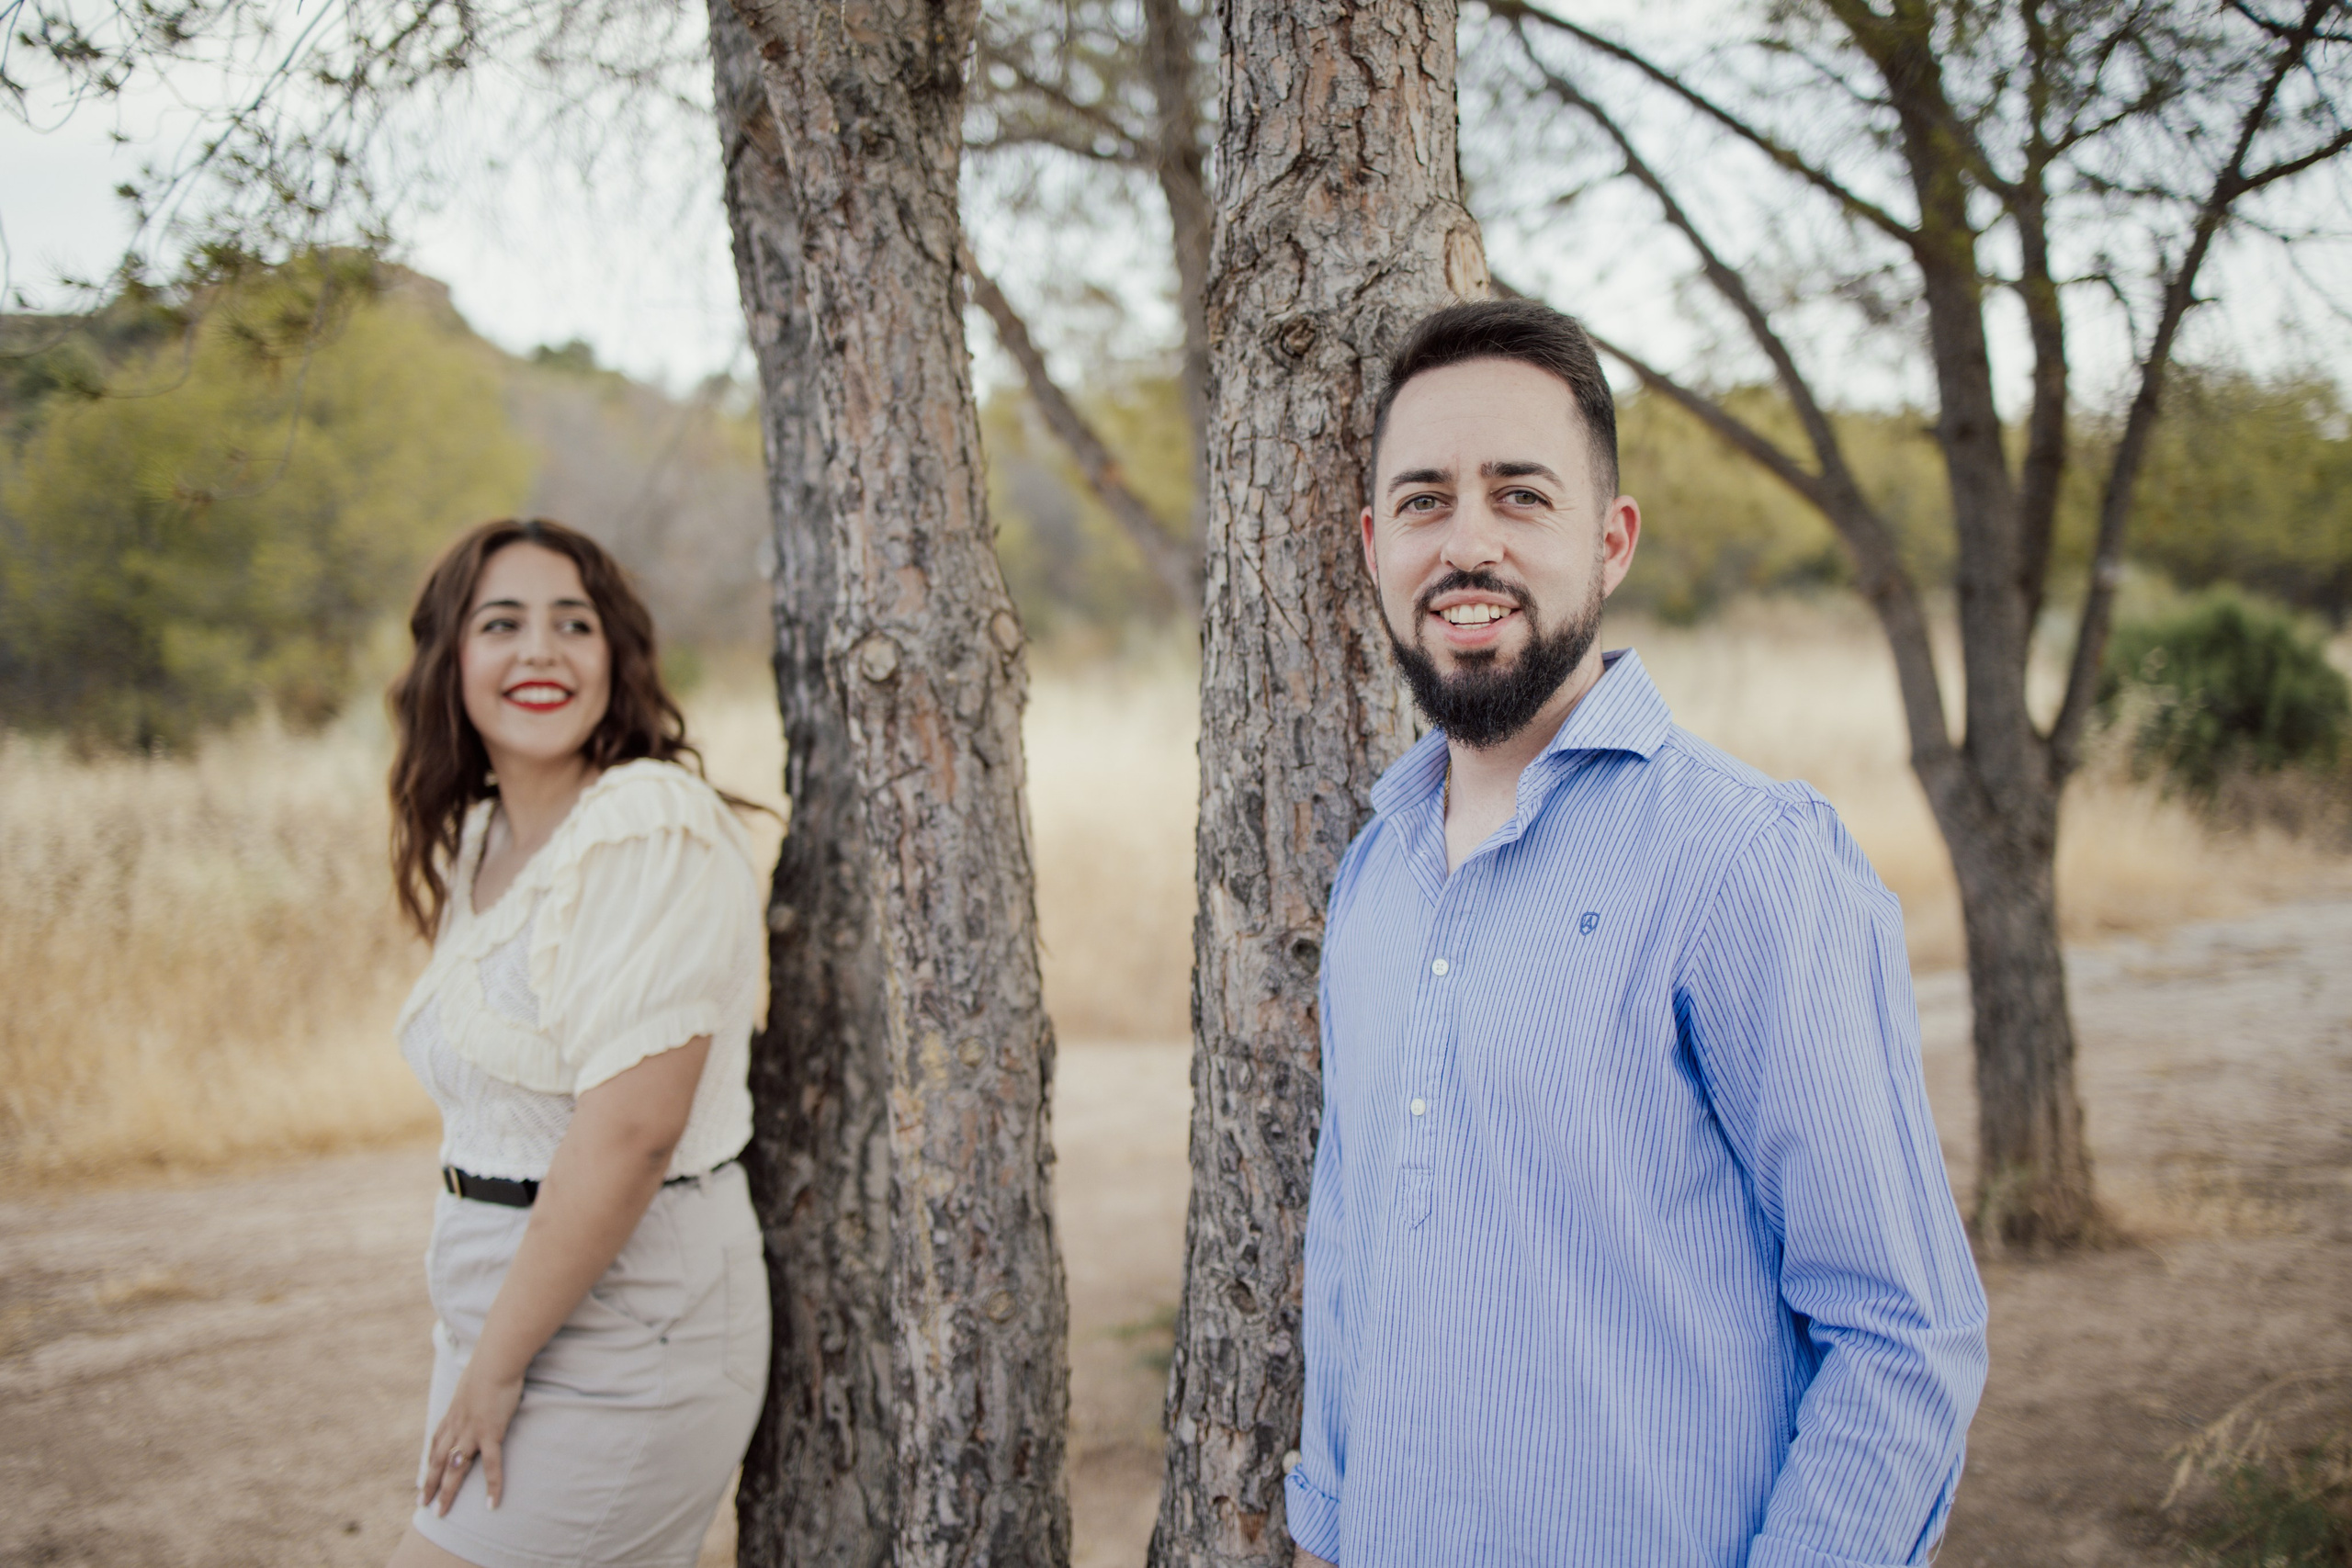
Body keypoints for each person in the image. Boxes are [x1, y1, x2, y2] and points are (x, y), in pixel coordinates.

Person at [1284, 300, 1988, 1568]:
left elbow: (1900, 1330)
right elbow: (1348, 1261)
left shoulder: (1746, 861)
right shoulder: (1373, 878)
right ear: (1377, 544)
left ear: (1610, 542)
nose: (1468, 542)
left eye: (1521, 496)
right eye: (1425, 500)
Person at [383, 518, 769, 1568]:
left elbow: (633, 1133)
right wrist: (486, 1350)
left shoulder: (646, 824)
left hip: (631, 1328)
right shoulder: (481, 838)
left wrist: (497, 1364)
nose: (541, 652)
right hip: (504, 1318)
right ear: (450, 658)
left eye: (574, 624)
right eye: (501, 624)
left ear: (616, 656)